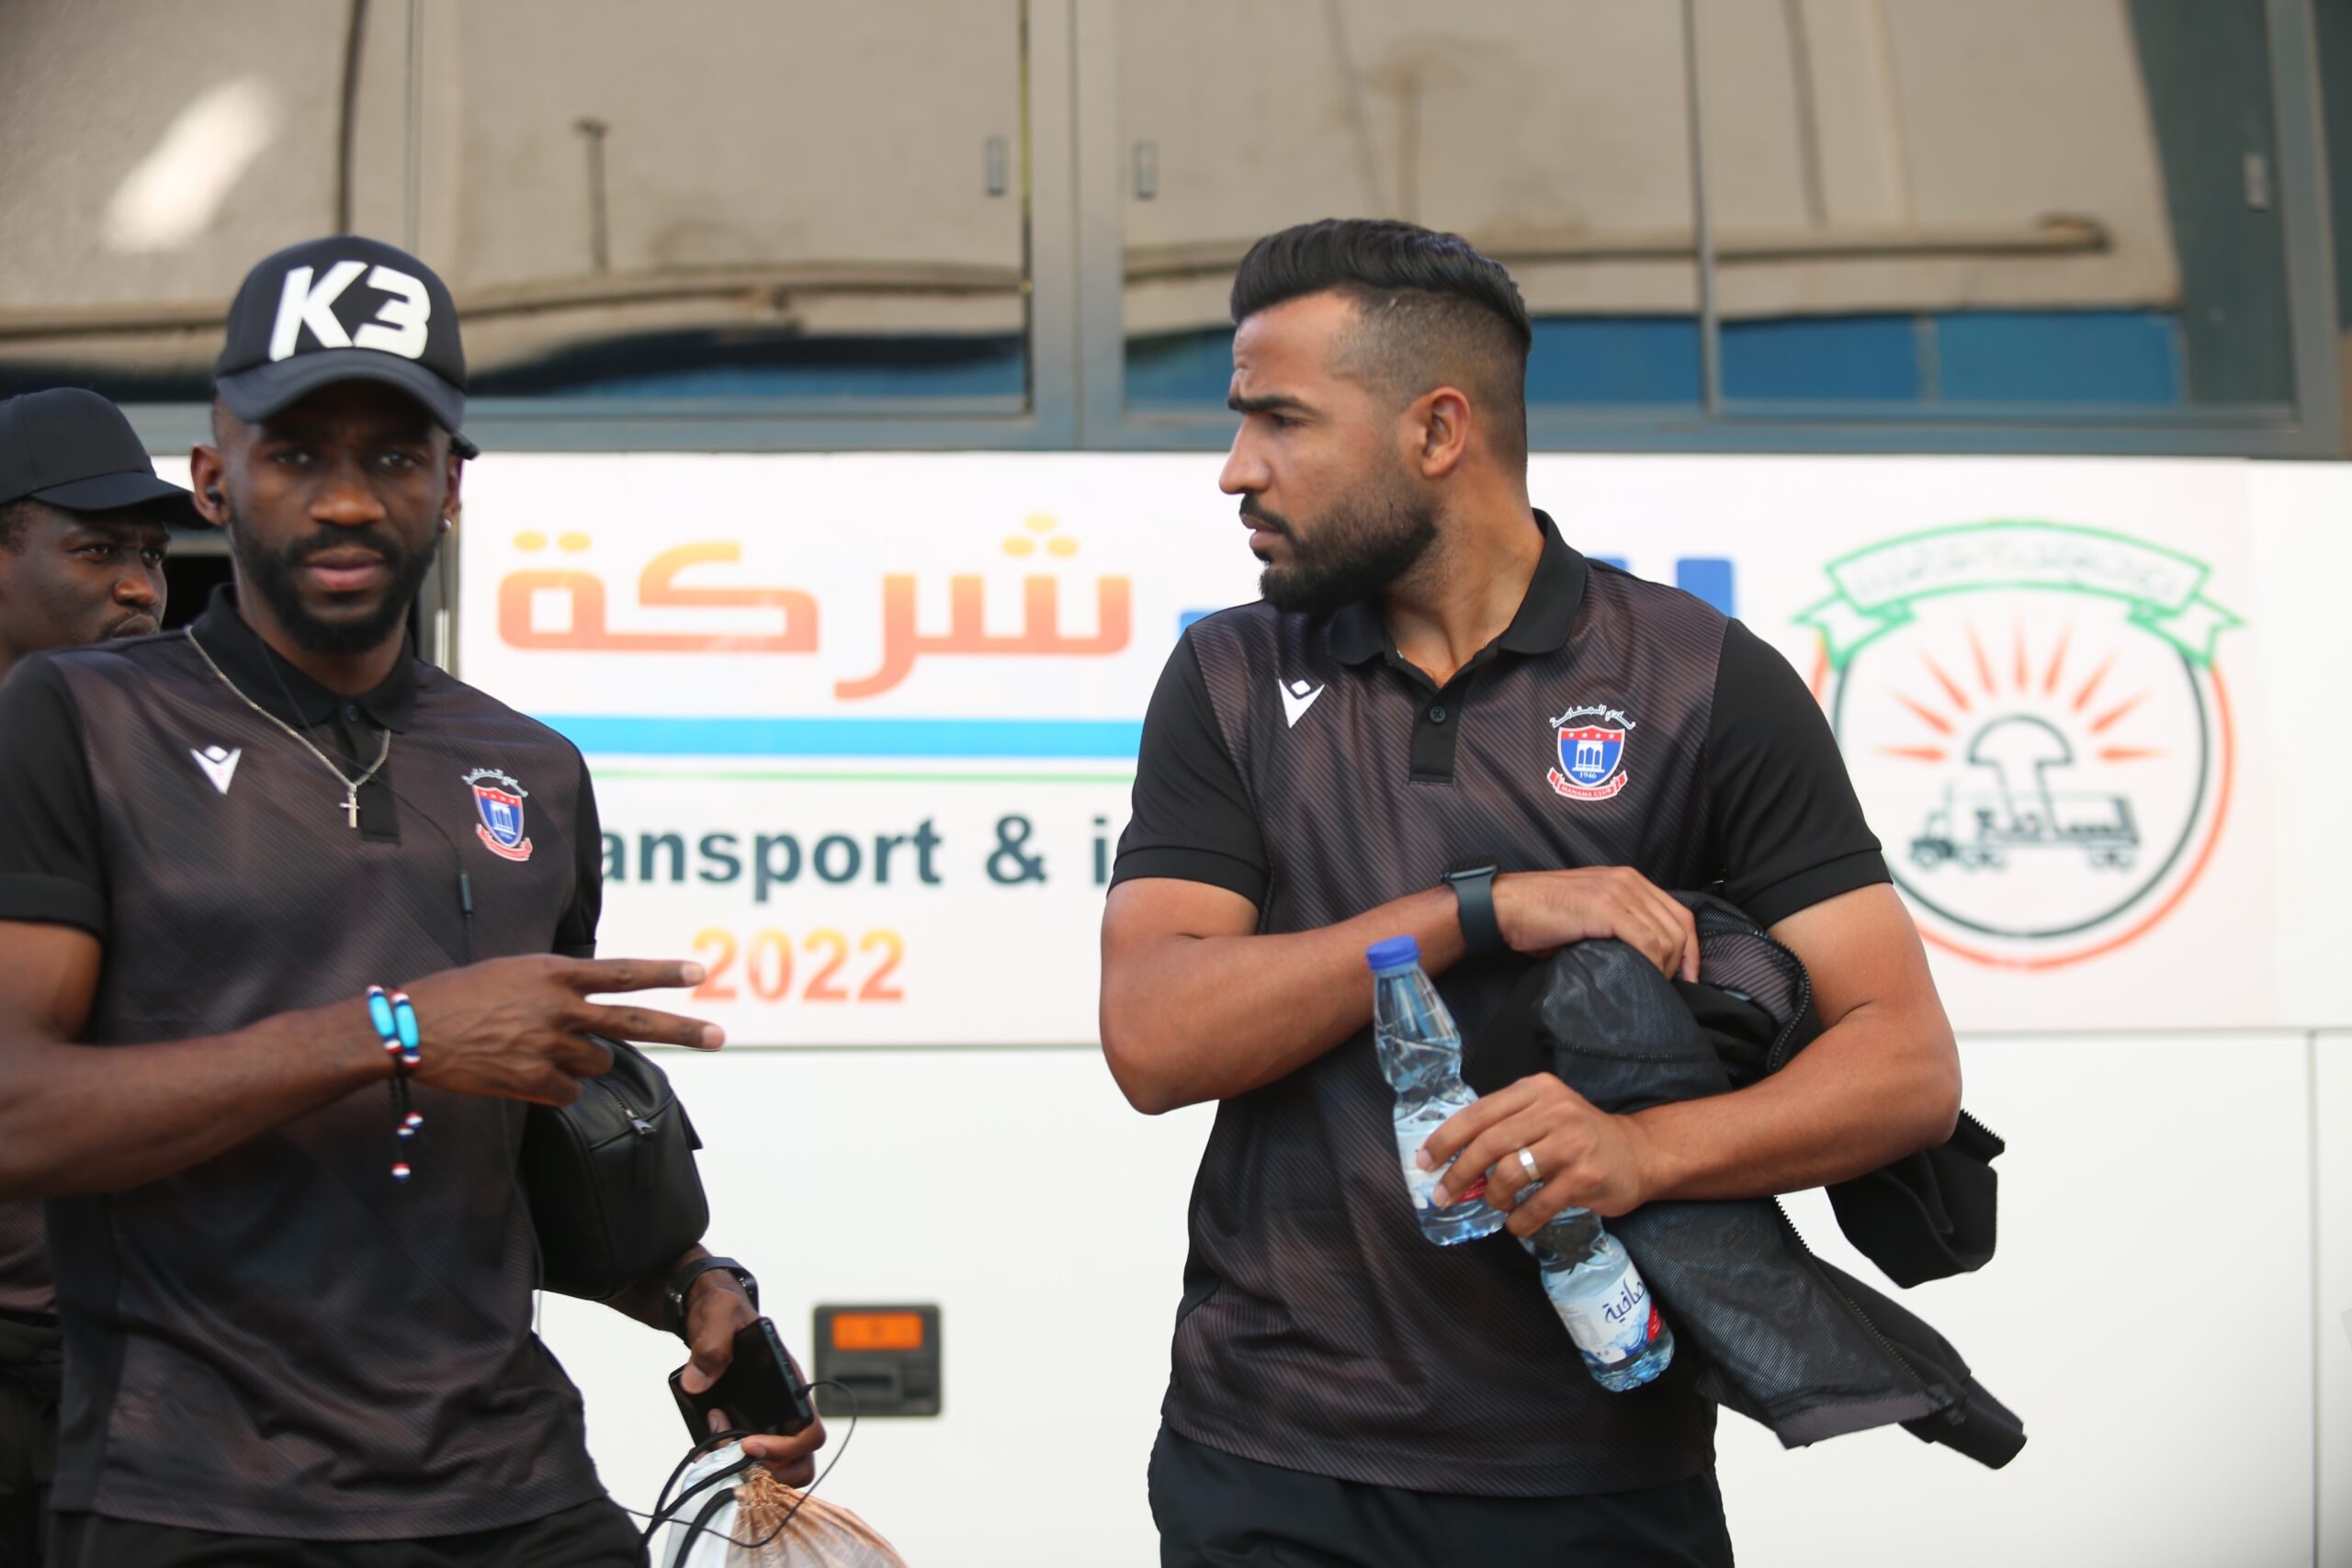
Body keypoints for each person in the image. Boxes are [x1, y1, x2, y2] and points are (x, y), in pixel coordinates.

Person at [1099, 219, 1962, 1567]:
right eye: (1240, 419)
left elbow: (1904, 1064)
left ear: (1438, 430)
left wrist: (1644, 1153)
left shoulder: (1700, 677)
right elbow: (1155, 1037)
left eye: (1281, 420)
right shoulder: (1228, 675)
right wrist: (1478, 908)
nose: (1237, 469)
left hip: (1603, 1472)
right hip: (1273, 1452)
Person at [0, 236, 822, 1568]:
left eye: (392, 455)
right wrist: (393, 1030)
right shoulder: (77, 719)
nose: (345, 499)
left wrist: (683, 1285)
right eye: (296, 454)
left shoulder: (534, 769)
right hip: (196, 1497)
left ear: (450, 484)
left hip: (514, 1490)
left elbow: (517, 1135)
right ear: (215, 478)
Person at [0, 388, 195, 1568]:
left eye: (151, 554)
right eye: (96, 551)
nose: (138, 587)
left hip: (144, 1360)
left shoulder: (187, 789)